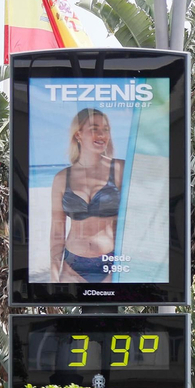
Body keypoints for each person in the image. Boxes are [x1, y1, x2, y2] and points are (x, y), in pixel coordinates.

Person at [50, 108, 123, 283]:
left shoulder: (120, 170)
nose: (102, 134)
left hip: (111, 263)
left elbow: (135, 221)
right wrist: (53, 275)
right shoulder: (61, 178)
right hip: (72, 265)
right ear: (78, 135)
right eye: (94, 128)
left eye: (105, 129)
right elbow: (57, 232)